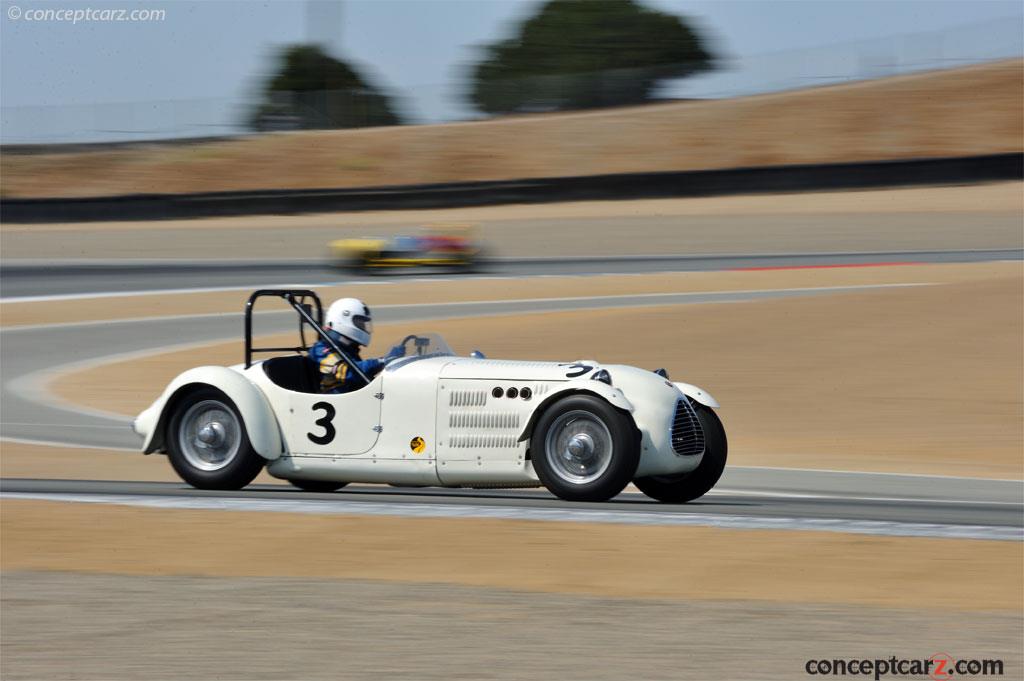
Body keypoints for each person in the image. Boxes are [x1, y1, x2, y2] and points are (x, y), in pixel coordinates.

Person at [309, 297, 403, 394]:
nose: (363, 326)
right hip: (337, 401)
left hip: (353, 398)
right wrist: (382, 361)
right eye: (360, 323)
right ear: (343, 320)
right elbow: (350, 372)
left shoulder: (347, 348)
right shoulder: (322, 350)